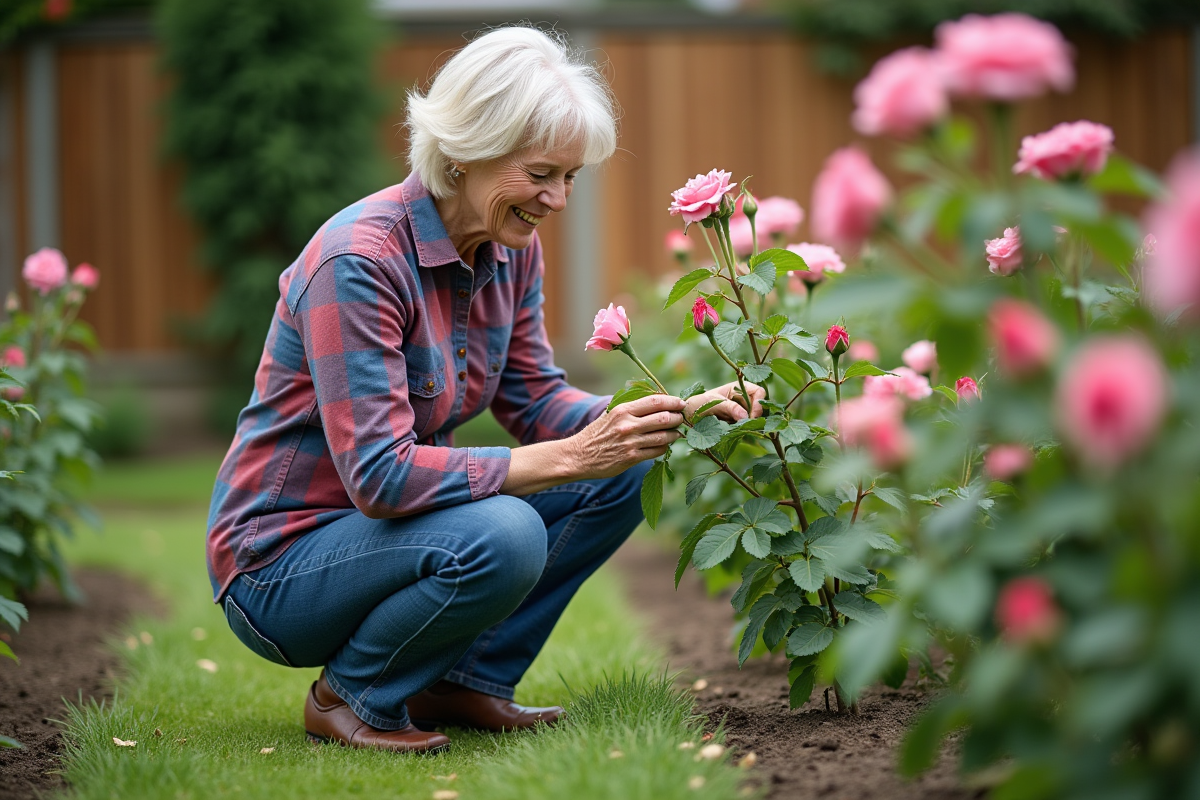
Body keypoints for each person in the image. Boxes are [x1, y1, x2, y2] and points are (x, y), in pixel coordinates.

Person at [205, 25, 763, 754]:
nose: (558, 199)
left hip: (390, 535)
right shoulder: (360, 261)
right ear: (466, 150)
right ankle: (351, 697)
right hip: (280, 566)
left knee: (628, 469)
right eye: (541, 174)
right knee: (505, 534)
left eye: (570, 177)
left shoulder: (506, 247)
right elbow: (380, 475)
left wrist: (660, 418)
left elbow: (534, 400)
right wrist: (566, 460)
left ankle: (465, 682)